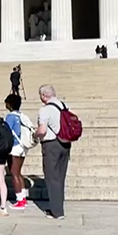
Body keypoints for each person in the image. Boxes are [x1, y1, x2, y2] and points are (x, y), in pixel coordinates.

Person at [35, 85, 71, 220]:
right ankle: (58, 206)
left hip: (51, 145)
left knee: (52, 178)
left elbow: (42, 130)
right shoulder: (64, 106)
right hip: (65, 143)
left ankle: (57, 211)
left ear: (44, 96)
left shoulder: (45, 110)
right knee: (60, 177)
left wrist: (35, 134)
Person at [4, 94, 29, 209]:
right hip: (22, 146)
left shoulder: (10, 117)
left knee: (14, 173)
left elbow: (7, 131)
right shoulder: (21, 116)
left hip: (14, 146)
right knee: (18, 173)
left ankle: (20, 199)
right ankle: (23, 197)